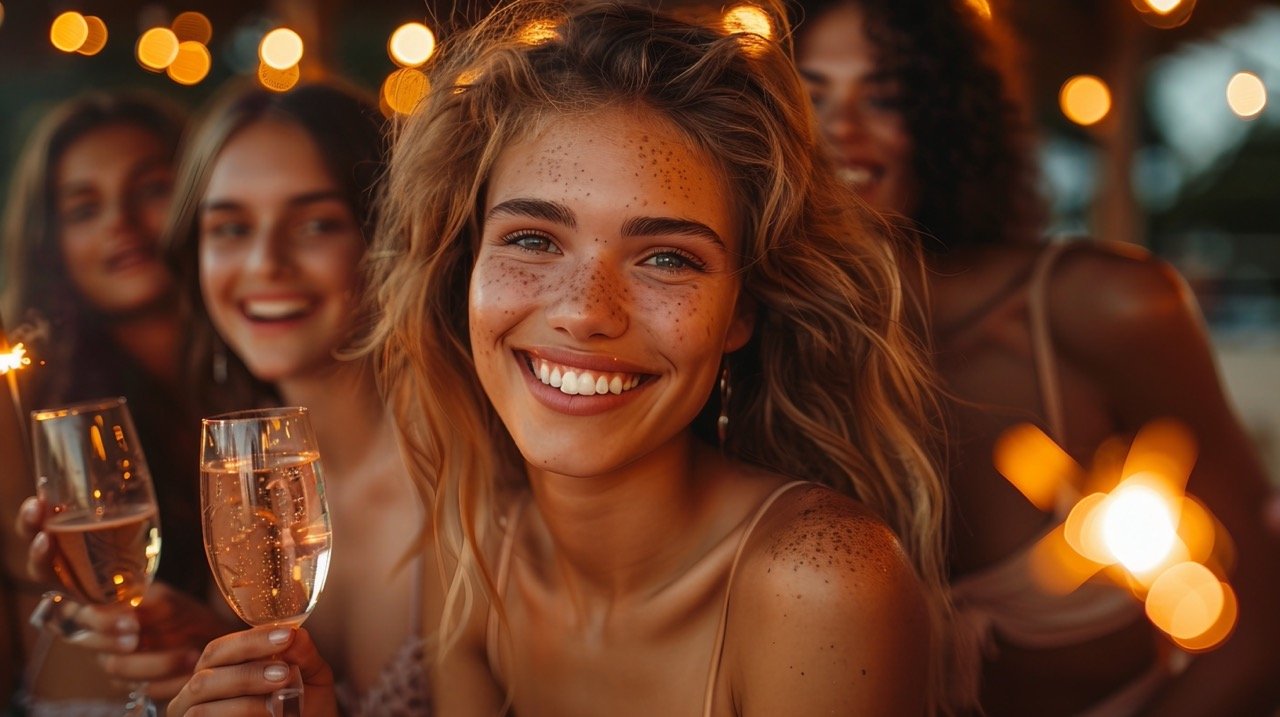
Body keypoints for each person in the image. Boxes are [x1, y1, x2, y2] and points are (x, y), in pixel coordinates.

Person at [167, 1, 955, 715]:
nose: (584, 311)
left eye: (668, 258)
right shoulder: (477, 550)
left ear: (740, 308)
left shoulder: (822, 580)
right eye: (533, 240)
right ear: (464, 268)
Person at [795, 0, 1280, 714]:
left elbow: (1261, 633)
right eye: (810, 95)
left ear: (950, 116)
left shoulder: (1103, 305)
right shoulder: (770, 342)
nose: (839, 127)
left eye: (887, 95)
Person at [19, 81, 436, 715]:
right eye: (230, 227)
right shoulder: (241, 486)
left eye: (316, 224)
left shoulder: (466, 484)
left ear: (387, 237)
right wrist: (204, 647)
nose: (266, 263)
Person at [0, 90, 208, 711]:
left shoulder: (268, 384)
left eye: (150, 188)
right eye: (84, 208)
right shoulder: (22, 410)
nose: (120, 221)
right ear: (50, 241)